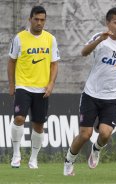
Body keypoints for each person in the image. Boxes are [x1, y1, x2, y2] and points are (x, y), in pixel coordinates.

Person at [63, 7, 116, 176]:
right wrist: (98, 41)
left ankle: (96, 150)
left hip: (112, 97)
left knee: (105, 133)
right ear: (108, 23)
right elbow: (84, 52)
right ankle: (69, 161)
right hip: (91, 94)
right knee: (85, 134)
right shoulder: (100, 38)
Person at [7, 5, 60, 169]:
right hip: (23, 85)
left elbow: (54, 64)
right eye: (36, 19)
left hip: (42, 89)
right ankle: (16, 154)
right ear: (30, 19)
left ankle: (33, 159)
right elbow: (11, 61)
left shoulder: (50, 39)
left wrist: (51, 84)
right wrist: (12, 84)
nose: (39, 22)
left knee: (38, 124)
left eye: (42, 20)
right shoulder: (19, 37)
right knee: (19, 118)